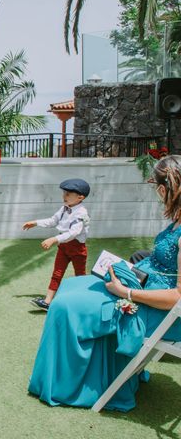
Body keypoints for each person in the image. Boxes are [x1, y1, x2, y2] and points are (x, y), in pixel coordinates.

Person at [29, 155, 181, 412]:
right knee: (70, 287)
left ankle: (67, 385)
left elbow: (177, 297)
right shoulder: (177, 219)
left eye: (156, 186)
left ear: (165, 188)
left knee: (66, 306)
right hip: (145, 289)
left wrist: (126, 291)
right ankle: (92, 375)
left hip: (162, 313)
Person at [23, 178, 91, 311]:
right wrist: (36, 222)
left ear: (80, 197)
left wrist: (54, 239)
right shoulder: (64, 208)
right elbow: (53, 221)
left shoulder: (81, 213)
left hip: (77, 249)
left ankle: (83, 301)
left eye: (68, 194)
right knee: (57, 273)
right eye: (64, 193)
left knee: (80, 275)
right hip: (63, 247)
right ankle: (47, 302)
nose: (64, 196)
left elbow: (73, 233)